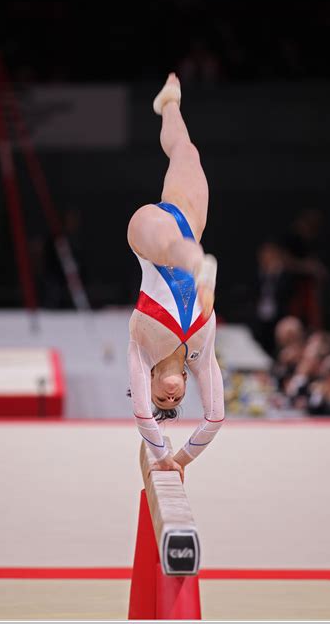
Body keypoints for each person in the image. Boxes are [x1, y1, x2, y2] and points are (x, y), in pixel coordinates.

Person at [126, 73, 225, 481]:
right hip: (188, 224)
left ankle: (200, 266)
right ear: (185, 384)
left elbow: (142, 417)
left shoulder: (141, 352)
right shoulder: (202, 358)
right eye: (176, 400)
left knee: (172, 251)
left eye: (159, 399)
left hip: (150, 238)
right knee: (187, 152)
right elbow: (214, 418)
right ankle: (169, 103)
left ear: (146, 384)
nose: (170, 397)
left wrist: (162, 452)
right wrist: (180, 461)